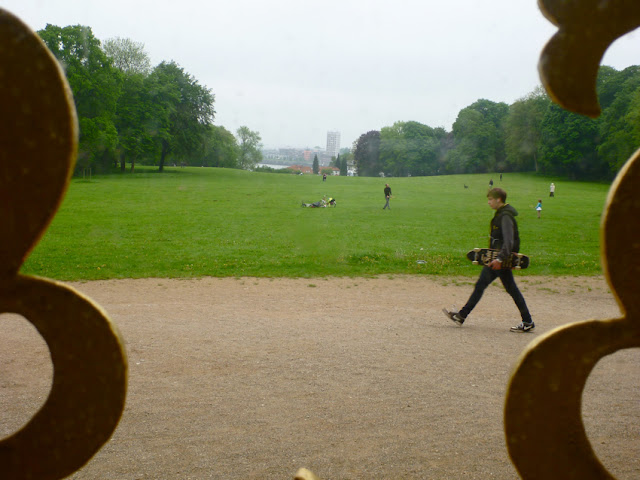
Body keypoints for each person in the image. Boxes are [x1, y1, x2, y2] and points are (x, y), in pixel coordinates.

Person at [443, 188, 535, 332]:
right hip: (496, 259)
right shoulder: (501, 214)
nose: (488, 202)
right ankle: (461, 316)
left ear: (498, 199)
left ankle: (528, 321)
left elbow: (509, 241)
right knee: (484, 286)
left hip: (500, 261)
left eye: (490, 199)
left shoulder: (505, 216)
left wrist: (499, 259)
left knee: (508, 289)